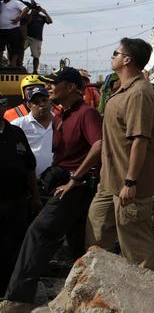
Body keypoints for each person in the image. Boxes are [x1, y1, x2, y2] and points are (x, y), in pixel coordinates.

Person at [3, 68, 102, 308]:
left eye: (54, 83)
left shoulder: (86, 113)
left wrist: (75, 178)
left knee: (38, 233)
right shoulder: (62, 116)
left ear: (70, 87)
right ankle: (83, 296)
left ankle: (18, 299)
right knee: (77, 242)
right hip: (60, 184)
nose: (49, 88)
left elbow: (99, 145)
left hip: (75, 187)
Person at [87, 38, 154, 268]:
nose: (112, 56)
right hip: (109, 179)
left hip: (130, 184)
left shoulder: (139, 93)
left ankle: (144, 288)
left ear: (127, 59)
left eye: (116, 52)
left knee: (135, 248)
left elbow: (140, 140)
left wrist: (130, 182)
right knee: (96, 231)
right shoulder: (121, 90)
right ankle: (98, 281)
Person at [0, 106, 38, 297]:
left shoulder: (16, 132)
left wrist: (36, 196)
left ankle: (13, 293)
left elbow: (30, 166)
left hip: (17, 202)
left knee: (16, 248)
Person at [10, 87, 53, 178]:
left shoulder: (61, 121)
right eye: (36, 102)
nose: (42, 104)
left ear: (49, 101)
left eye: (44, 100)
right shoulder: (19, 124)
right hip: (29, 180)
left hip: (59, 179)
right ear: (29, 105)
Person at [20, 0, 51, 74]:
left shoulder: (42, 17)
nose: (37, 9)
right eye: (35, 8)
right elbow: (27, 22)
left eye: (38, 8)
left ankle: (35, 71)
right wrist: (32, 12)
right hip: (27, 37)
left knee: (36, 56)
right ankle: (19, 64)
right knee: (20, 50)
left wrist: (45, 12)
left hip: (37, 39)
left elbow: (50, 21)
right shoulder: (28, 15)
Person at [0, 0, 29, 67]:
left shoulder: (16, 2)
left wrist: (18, 18)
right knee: (1, 47)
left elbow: (26, 9)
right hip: (1, 29)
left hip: (13, 28)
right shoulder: (1, 3)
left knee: (14, 47)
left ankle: (13, 63)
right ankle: (0, 63)